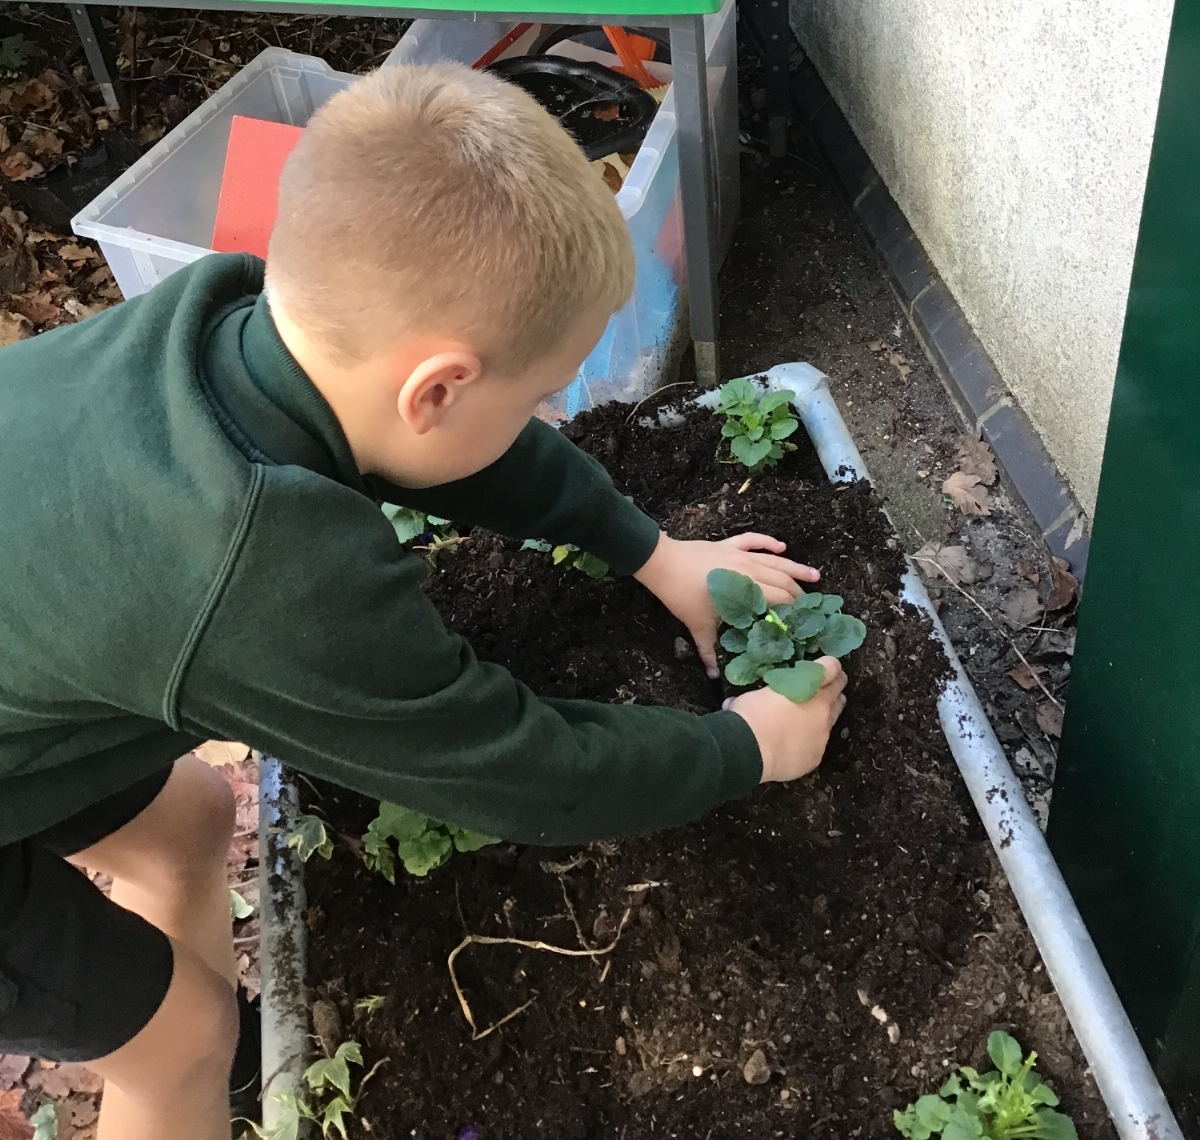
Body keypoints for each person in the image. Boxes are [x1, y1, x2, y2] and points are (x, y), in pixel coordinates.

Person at [0, 62, 847, 1139]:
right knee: (182, 1041)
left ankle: (222, 1077)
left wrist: (652, 550)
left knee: (192, 819)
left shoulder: (224, 329)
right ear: (437, 387)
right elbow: (518, 769)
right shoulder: (266, 568)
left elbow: (459, 452)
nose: (544, 417)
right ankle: (194, 1072)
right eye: (538, 397)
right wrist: (744, 748)